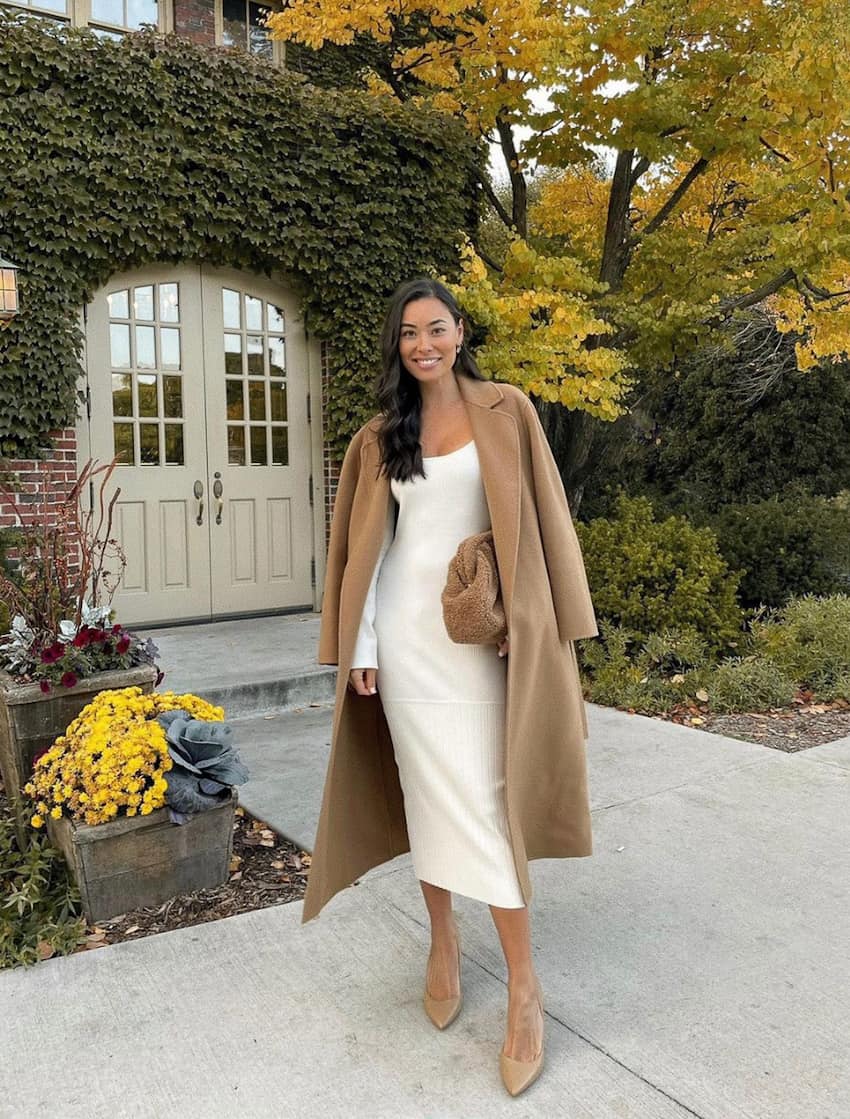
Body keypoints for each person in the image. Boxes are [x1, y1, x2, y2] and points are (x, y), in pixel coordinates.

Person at [301, 277, 598, 1098]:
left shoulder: (508, 409)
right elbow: (369, 550)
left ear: (461, 332)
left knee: (488, 804)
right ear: (397, 345)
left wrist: (554, 625)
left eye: (435, 328)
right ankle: (440, 940)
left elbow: (546, 517)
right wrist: (359, 643)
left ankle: (525, 988)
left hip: (480, 639)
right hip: (402, 640)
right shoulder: (378, 435)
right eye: (407, 333)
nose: (422, 344)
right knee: (425, 794)